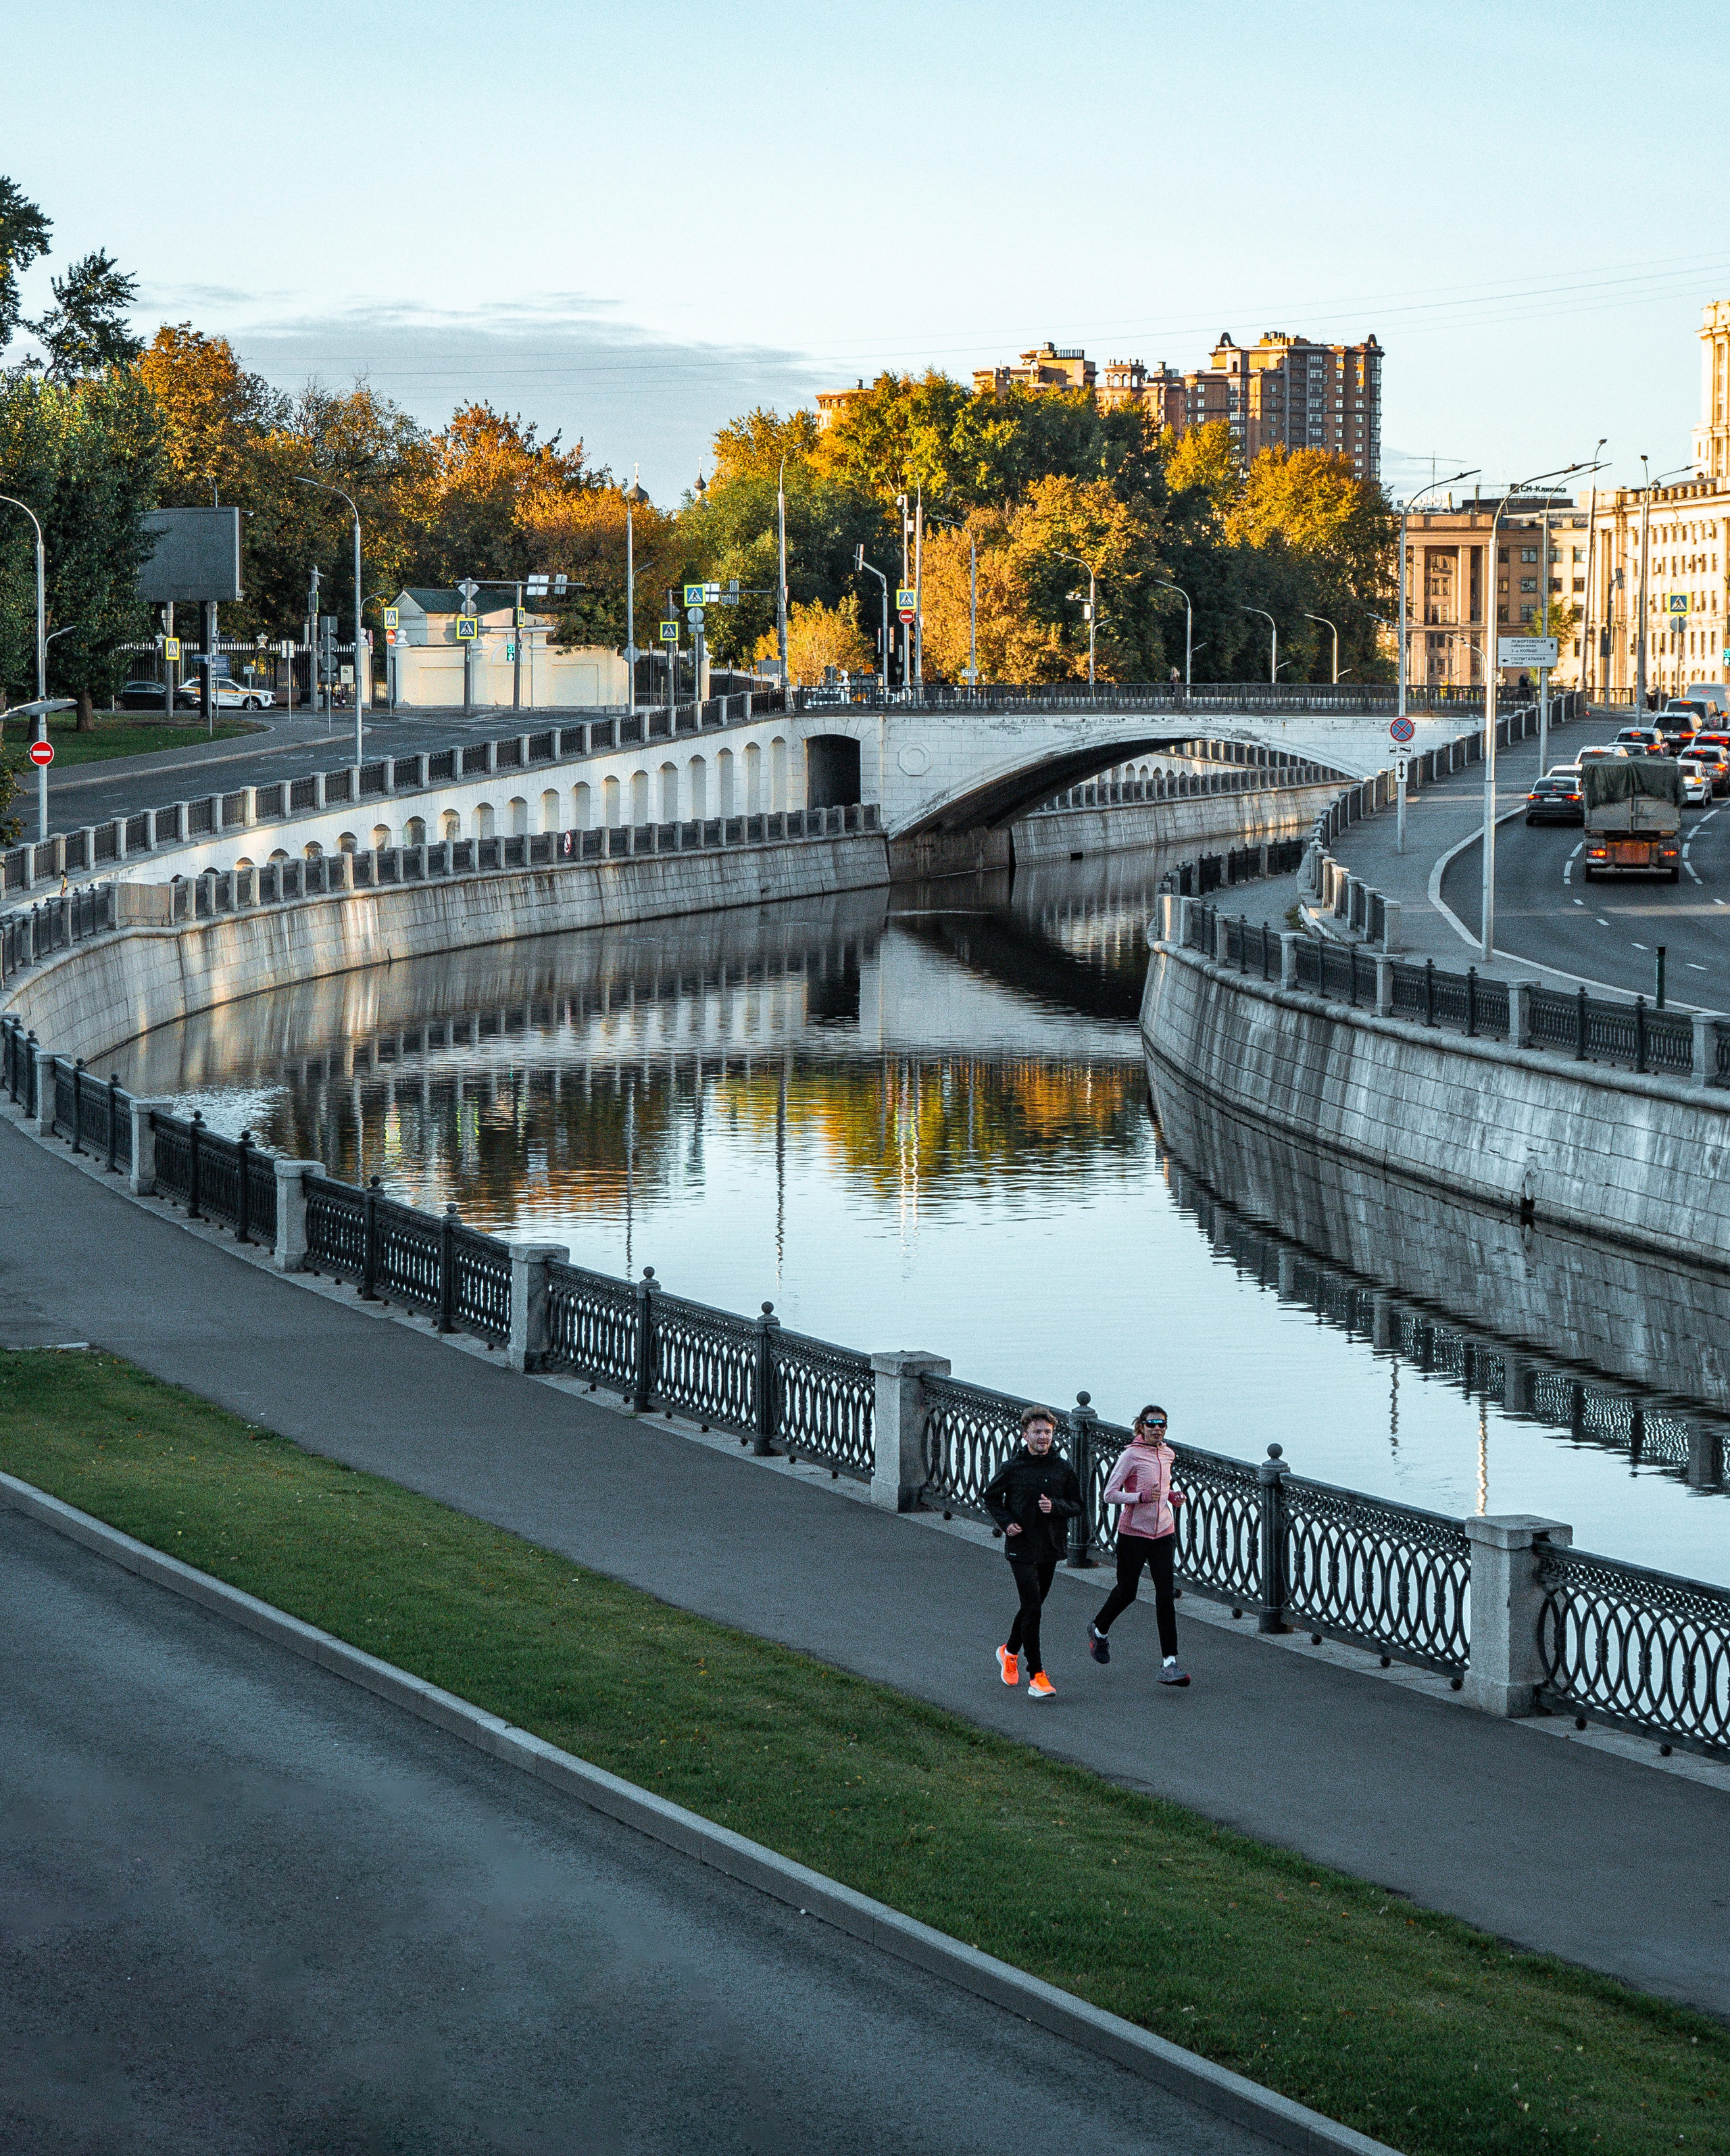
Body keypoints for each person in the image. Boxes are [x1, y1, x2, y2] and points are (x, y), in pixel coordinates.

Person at [983, 1404, 1082, 1699]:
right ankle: (1036, 1675)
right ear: (1025, 1434)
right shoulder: (1013, 1468)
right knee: (1034, 1607)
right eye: (1037, 1432)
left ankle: (1009, 1651)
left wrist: (1056, 1507)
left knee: (1032, 1606)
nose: (1043, 1437)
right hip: (1021, 1546)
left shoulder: (1062, 1468)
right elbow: (991, 1497)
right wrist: (1007, 1522)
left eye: (1048, 1432)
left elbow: (1077, 1505)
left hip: (1050, 1547)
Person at [1087, 1404, 1190, 1686]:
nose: (1157, 1429)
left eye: (1162, 1425)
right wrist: (1141, 1497)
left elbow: (1161, 1487)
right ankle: (1099, 1628)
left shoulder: (1168, 1454)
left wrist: (1172, 1497)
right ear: (1141, 1427)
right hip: (1133, 1533)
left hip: (1164, 1533)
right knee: (1127, 1591)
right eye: (1151, 1424)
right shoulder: (1130, 1455)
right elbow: (1110, 1494)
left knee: (1165, 1595)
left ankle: (1170, 1663)